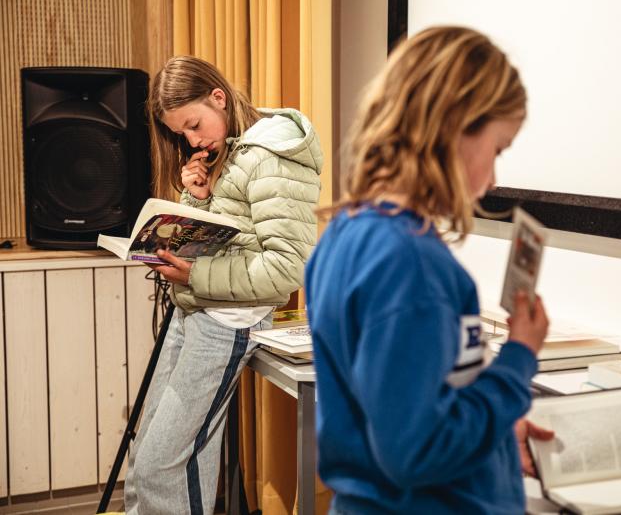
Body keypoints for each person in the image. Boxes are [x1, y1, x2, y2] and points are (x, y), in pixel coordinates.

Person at [304, 26, 551, 514]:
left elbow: (407, 407)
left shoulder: (346, 232)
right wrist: (519, 359)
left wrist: (497, 430)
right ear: (454, 127)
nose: (495, 178)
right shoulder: (409, 262)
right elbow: (416, 452)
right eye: (497, 149)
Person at [123, 55, 323, 515]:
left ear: (218, 97)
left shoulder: (274, 154)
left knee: (165, 465)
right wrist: (195, 200)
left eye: (194, 125)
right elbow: (233, 232)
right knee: (147, 456)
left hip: (226, 320)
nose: (192, 141)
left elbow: (287, 267)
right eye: (182, 134)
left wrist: (194, 274)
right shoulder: (233, 149)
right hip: (195, 307)